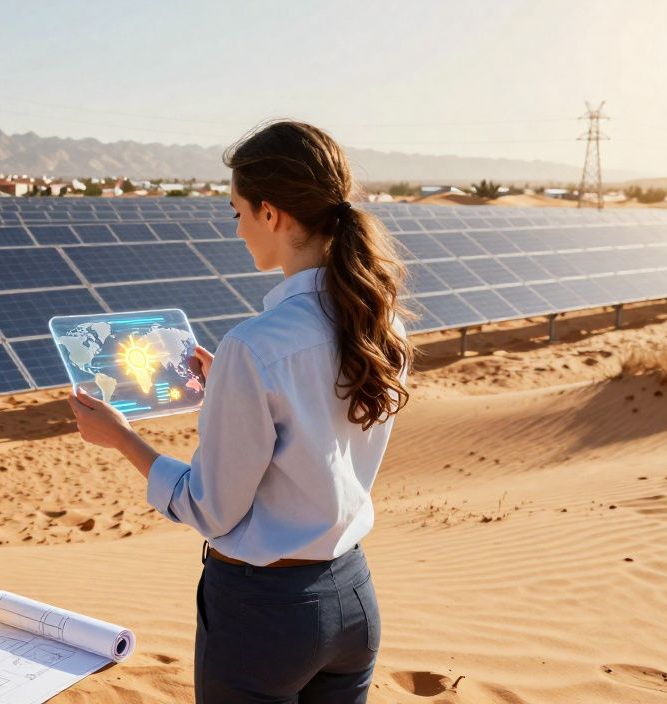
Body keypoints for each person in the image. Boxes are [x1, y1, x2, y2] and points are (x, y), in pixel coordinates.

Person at [69, 119, 414, 703]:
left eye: (237, 212)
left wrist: (123, 438)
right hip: (353, 598)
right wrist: (230, 383)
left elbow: (212, 508)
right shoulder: (382, 325)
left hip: (265, 617)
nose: (238, 230)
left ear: (272, 213)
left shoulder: (253, 346)